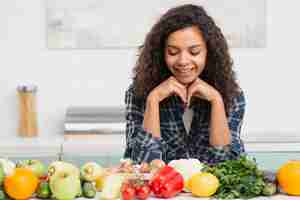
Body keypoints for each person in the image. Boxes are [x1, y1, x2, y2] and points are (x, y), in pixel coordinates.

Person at [123, 4, 246, 165]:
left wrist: (217, 101)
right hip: (163, 190)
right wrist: (153, 100)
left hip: (204, 190)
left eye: (194, 52)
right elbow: (143, 165)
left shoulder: (232, 95)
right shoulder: (138, 92)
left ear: (210, 52)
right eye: (173, 52)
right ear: (161, 53)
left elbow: (229, 166)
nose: (183, 61)